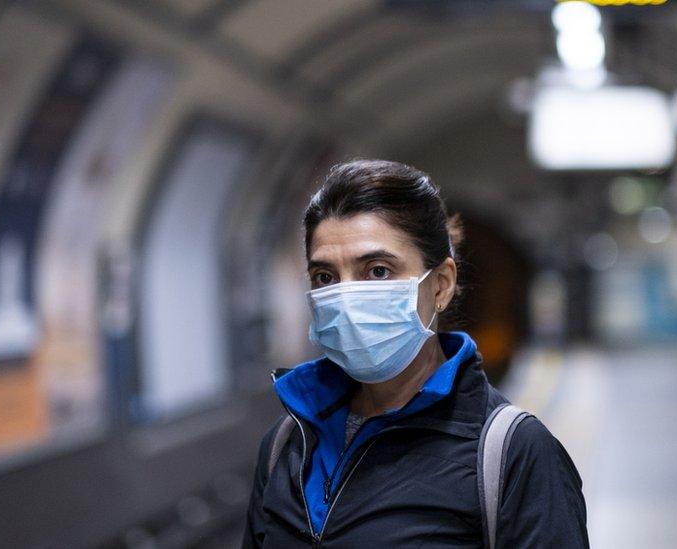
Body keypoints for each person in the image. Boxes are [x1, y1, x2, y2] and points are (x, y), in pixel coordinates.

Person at [242, 159, 588, 548]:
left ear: (440, 285)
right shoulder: (287, 443)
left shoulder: (511, 453)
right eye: (325, 277)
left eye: (377, 271)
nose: (346, 297)